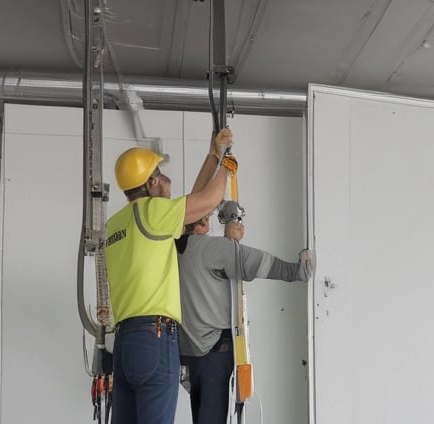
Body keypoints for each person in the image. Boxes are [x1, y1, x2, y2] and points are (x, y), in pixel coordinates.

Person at [104, 128, 235, 424]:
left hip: (124, 343)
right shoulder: (153, 213)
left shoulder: (117, 224)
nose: (167, 180)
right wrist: (227, 162)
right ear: (151, 183)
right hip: (155, 337)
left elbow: (194, 202)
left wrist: (213, 153)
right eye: (161, 174)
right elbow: (208, 199)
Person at [177, 203, 315, 424]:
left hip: (187, 352)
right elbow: (254, 262)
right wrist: (296, 271)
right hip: (213, 348)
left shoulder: (175, 249)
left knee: (201, 415)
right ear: (201, 222)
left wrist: (228, 242)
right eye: (208, 216)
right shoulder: (212, 248)